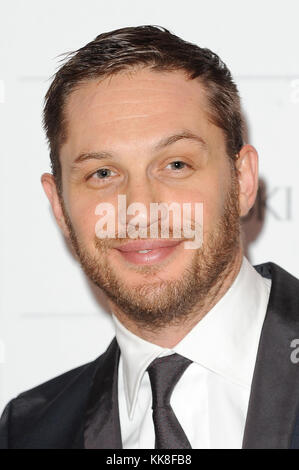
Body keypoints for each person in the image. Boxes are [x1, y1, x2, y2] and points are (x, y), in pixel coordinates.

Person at [0, 25, 299, 450]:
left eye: (175, 164)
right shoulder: (28, 431)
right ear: (59, 207)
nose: (138, 209)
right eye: (102, 174)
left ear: (243, 181)